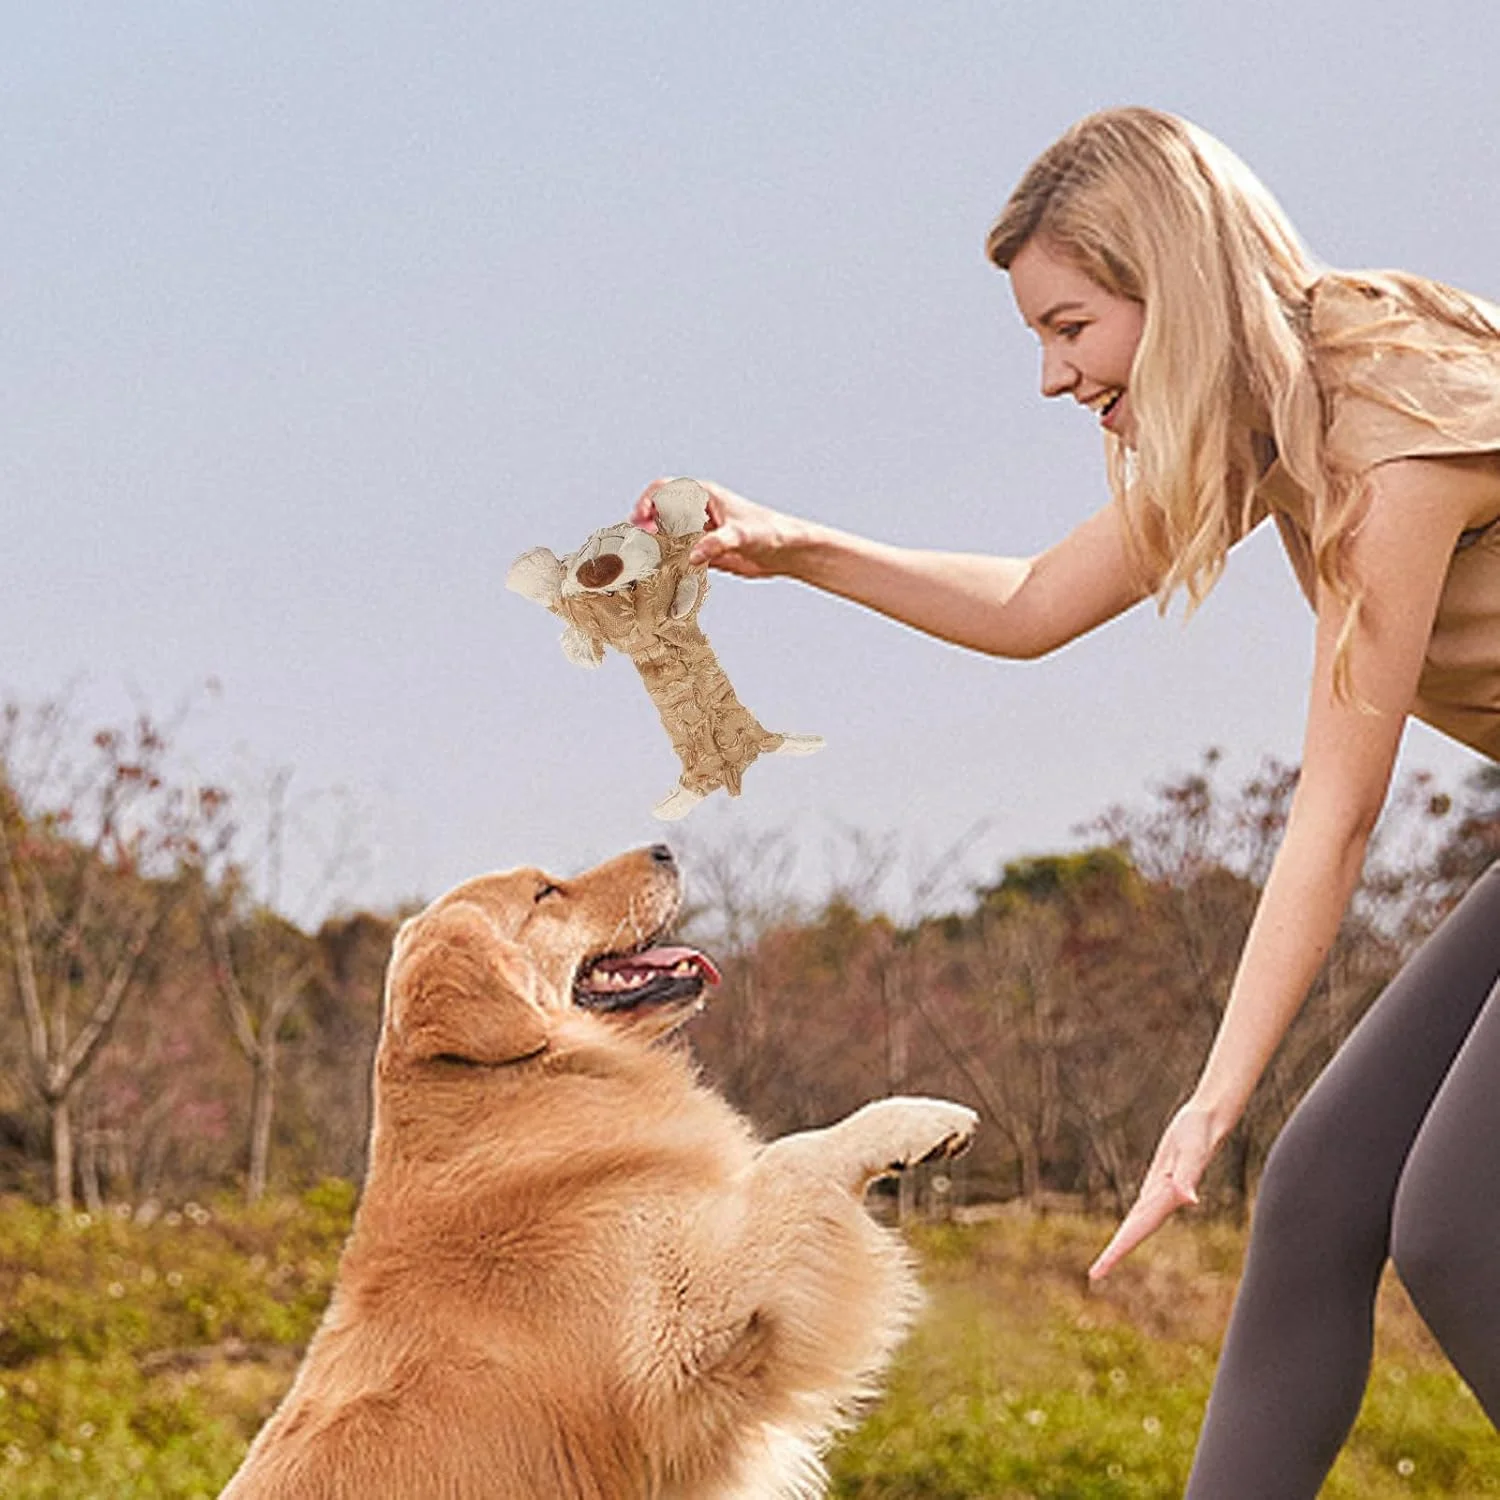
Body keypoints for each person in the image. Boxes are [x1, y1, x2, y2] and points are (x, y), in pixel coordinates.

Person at [630, 106, 1500, 1498]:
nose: (1050, 375)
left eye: (1071, 325)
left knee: (1460, 1223)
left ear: (1179, 288)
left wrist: (1208, 1106)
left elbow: (1336, 817)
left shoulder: (1392, 426)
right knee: (1323, 1197)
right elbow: (1035, 605)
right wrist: (792, 548)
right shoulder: (1274, 421)